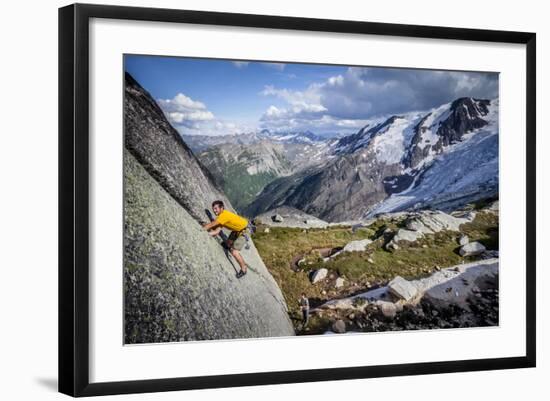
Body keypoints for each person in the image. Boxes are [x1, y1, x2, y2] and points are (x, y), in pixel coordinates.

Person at [203, 200, 250, 279]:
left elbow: (211, 225)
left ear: (221, 208)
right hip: (238, 230)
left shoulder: (223, 216)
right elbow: (217, 231)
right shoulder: (222, 216)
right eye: (213, 209)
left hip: (245, 231)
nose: (214, 211)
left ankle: (244, 269)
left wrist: (201, 230)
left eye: (216, 209)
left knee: (234, 252)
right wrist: (208, 234)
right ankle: (229, 245)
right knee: (228, 244)